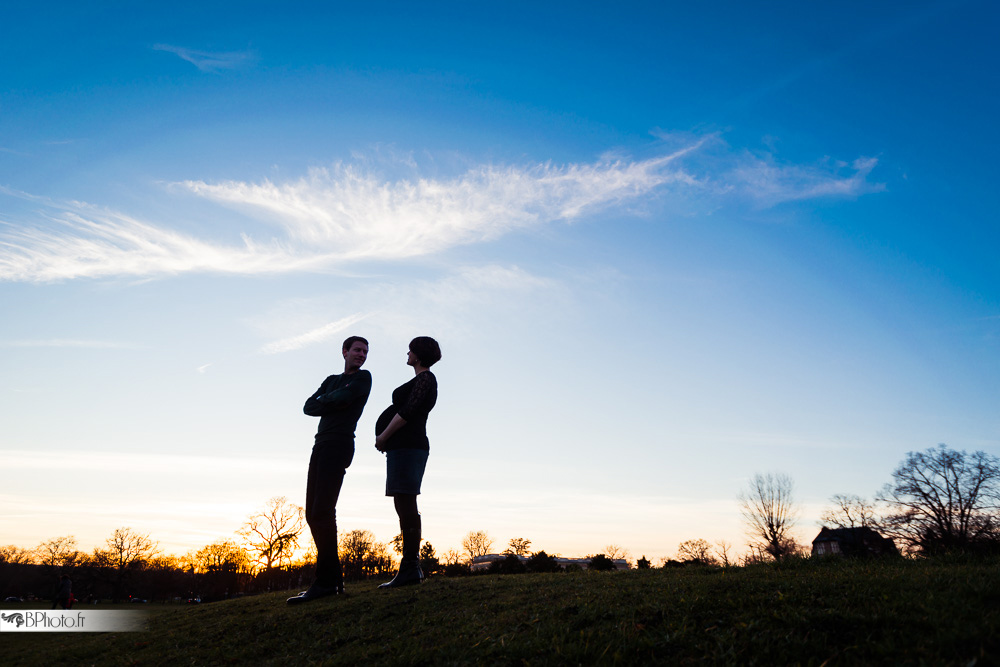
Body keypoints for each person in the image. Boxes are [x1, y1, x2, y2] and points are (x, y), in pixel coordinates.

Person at [287, 336, 372, 605]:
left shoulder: (363, 378)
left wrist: (329, 399)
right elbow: (308, 406)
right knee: (312, 513)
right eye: (357, 350)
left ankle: (325, 582)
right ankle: (332, 578)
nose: (361, 355)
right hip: (320, 445)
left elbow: (345, 397)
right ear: (344, 351)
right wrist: (331, 398)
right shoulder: (331, 379)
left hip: (339, 443)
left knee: (323, 510)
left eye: (365, 352)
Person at [374, 336, 441, 588]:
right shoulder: (420, 380)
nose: (407, 353)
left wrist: (384, 435)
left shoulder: (426, 379)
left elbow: (406, 412)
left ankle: (411, 567)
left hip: (410, 446)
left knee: (406, 500)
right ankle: (410, 567)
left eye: (411, 350)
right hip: (402, 447)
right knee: (403, 501)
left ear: (419, 355)